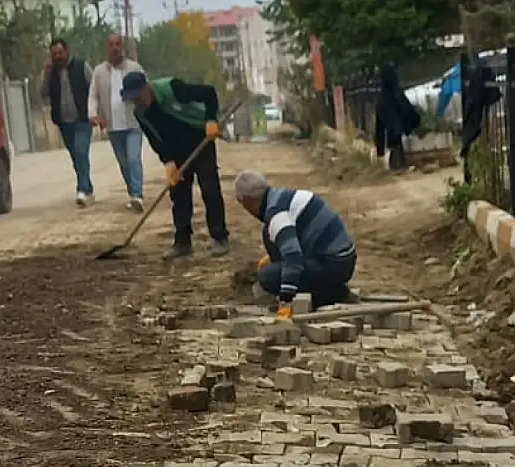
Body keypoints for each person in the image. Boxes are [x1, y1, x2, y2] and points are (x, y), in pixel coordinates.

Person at [120, 71, 230, 260]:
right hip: (175, 150)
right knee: (179, 196)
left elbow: (209, 93)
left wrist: (211, 119)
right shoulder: (140, 113)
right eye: (133, 99)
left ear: (146, 88)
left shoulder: (173, 89)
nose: (137, 101)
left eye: (138, 96)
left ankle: (220, 237)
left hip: (200, 139)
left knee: (210, 189)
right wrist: (168, 162)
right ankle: (182, 242)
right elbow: (155, 138)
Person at [233, 170, 358, 319]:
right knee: (269, 235)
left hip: (336, 265)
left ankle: (335, 294)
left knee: (268, 277)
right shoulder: (279, 197)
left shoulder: (276, 214)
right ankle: (324, 287)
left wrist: (286, 301)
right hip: (338, 257)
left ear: (248, 201)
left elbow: (293, 259)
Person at [89, 33, 146, 212]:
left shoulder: (134, 68)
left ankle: (137, 194)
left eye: (118, 44)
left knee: (133, 158)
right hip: (113, 126)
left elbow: (147, 91)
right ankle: (132, 193)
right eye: (111, 44)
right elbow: (93, 96)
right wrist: (94, 115)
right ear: (107, 47)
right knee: (123, 162)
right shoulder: (99, 72)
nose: (115, 48)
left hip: (133, 123)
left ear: (122, 46)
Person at [40, 38, 95, 206]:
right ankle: (88, 188)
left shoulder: (81, 66)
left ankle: (82, 190)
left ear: (67, 51)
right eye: (54, 54)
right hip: (64, 122)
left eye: (60, 53)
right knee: (76, 157)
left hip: (82, 120)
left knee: (80, 152)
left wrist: (96, 112)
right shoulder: (52, 72)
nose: (58, 57)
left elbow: (94, 89)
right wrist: (46, 73)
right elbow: (43, 92)